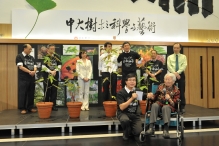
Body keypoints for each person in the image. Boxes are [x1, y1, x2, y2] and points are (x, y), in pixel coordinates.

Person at [146, 73, 180, 138]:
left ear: (173, 81)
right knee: (154, 105)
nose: (167, 81)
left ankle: (166, 130)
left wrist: (169, 99)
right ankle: (151, 128)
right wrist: (151, 96)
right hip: (160, 103)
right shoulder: (161, 86)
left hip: (169, 105)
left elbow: (175, 103)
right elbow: (155, 96)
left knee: (166, 107)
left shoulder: (176, 90)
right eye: (166, 79)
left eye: (169, 79)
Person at [116, 73, 142, 141]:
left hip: (134, 114)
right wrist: (131, 98)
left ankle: (131, 128)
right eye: (130, 80)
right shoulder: (121, 93)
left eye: (134, 80)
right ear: (126, 82)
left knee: (138, 132)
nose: (132, 82)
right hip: (123, 113)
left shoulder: (137, 90)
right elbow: (121, 107)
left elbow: (144, 98)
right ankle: (126, 131)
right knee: (125, 120)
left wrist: (149, 95)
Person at [16, 44, 37, 114]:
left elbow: (35, 66)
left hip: (31, 78)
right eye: (29, 49)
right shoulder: (19, 56)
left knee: (31, 93)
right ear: (24, 48)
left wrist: (34, 71)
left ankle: (30, 107)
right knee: (23, 93)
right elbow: (21, 67)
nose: (30, 50)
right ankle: (22, 108)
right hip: (23, 78)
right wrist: (29, 71)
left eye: (31, 49)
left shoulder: (31, 57)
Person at [167, 43, 187, 113]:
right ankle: (173, 106)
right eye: (174, 48)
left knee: (181, 90)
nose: (175, 49)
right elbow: (169, 66)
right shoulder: (169, 57)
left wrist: (178, 73)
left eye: (177, 48)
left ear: (180, 48)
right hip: (172, 75)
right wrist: (175, 73)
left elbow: (184, 65)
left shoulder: (183, 57)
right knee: (172, 90)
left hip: (181, 74)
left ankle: (182, 106)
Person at [42, 44, 62, 111]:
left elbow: (59, 65)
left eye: (54, 49)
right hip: (47, 76)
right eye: (51, 48)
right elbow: (43, 67)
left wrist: (55, 71)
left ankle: (53, 105)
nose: (53, 50)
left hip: (55, 75)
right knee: (47, 90)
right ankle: (47, 105)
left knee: (54, 90)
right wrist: (50, 71)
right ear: (48, 49)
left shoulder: (57, 56)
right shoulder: (45, 56)